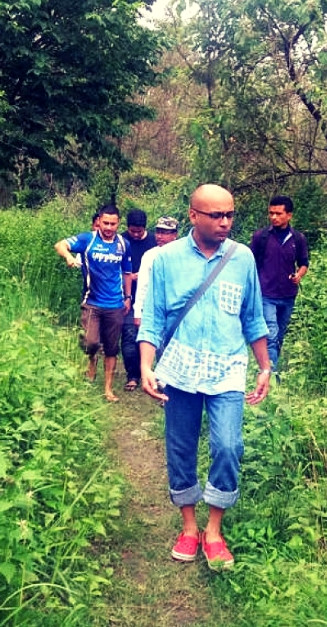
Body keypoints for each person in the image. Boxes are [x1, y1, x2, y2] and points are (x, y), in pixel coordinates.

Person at [139, 184, 271, 571]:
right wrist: (147, 366)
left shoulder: (243, 258)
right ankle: (189, 526)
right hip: (179, 368)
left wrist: (264, 367)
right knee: (180, 446)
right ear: (193, 215)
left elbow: (253, 318)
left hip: (227, 369)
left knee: (228, 446)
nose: (225, 222)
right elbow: (152, 319)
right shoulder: (166, 259)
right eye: (216, 215)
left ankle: (214, 530)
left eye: (230, 214)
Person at [55, 204, 132, 402]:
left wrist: (128, 298)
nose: (108, 227)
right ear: (98, 221)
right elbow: (60, 245)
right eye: (105, 223)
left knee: (112, 347)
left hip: (115, 304)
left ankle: (108, 388)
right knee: (90, 342)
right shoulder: (87, 239)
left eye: (113, 224)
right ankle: (91, 361)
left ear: (118, 223)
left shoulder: (123, 244)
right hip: (92, 302)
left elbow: (127, 273)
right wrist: (69, 257)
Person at [249, 196, 309, 374]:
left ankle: (269, 365)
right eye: (271, 213)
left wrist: (299, 275)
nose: (274, 217)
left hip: (288, 294)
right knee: (271, 334)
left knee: (280, 335)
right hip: (266, 293)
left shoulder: (297, 238)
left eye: (278, 213)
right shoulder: (261, 237)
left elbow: (304, 262)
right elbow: (250, 262)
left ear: (289, 215)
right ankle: (271, 374)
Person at [120, 209, 157, 392]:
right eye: (132, 231)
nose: (135, 235)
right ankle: (132, 375)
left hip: (151, 298)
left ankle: (150, 374)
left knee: (150, 338)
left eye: (139, 231)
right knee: (129, 336)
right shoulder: (120, 241)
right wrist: (128, 277)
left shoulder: (153, 242)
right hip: (126, 297)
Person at [132, 216, 180, 325]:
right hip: (154, 310)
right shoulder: (150, 255)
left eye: (164, 233)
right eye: (157, 232)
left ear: (174, 235)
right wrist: (138, 313)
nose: (159, 236)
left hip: (176, 311)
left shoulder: (183, 255)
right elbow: (143, 285)